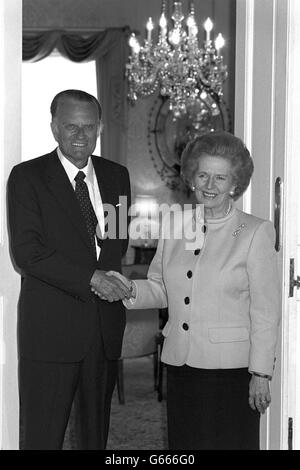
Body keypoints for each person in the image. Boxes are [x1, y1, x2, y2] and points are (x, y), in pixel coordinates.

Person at [106, 131, 281, 450]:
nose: (210, 185)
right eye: (203, 175)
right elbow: (161, 288)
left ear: (235, 184)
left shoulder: (254, 232)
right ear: (191, 178)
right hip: (182, 364)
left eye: (220, 177)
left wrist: (261, 373)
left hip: (232, 371)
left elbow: (265, 311)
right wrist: (129, 289)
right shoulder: (175, 224)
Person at [7, 89, 132, 450]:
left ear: (100, 128)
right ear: (54, 128)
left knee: (96, 437)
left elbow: (117, 242)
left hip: (103, 328)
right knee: (43, 437)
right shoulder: (27, 177)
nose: (80, 135)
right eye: (71, 127)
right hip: (50, 331)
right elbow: (28, 254)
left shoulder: (117, 176)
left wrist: (108, 281)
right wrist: (92, 279)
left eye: (88, 127)